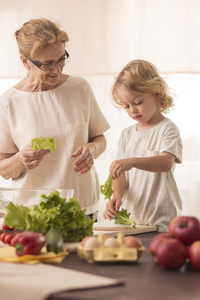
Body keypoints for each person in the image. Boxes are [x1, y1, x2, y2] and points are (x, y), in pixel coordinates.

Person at [0, 18, 110, 219]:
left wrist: (93, 150)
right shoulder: (8, 102)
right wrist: (19, 159)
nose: (57, 70)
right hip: (33, 213)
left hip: (82, 207)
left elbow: (99, 138)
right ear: (25, 61)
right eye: (47, 63)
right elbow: (4, 169)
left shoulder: (80, 88)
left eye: (61, 59)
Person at [103, 60, 182, 232]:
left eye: (137, 102)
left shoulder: (167, 129)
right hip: (132, 220)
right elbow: (120, 173)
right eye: (126, 106)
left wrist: (131, 161)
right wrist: (116, 195)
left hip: (161, 218)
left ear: (156, 93)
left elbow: (165, 163)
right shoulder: (127, 134)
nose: (132, 110)